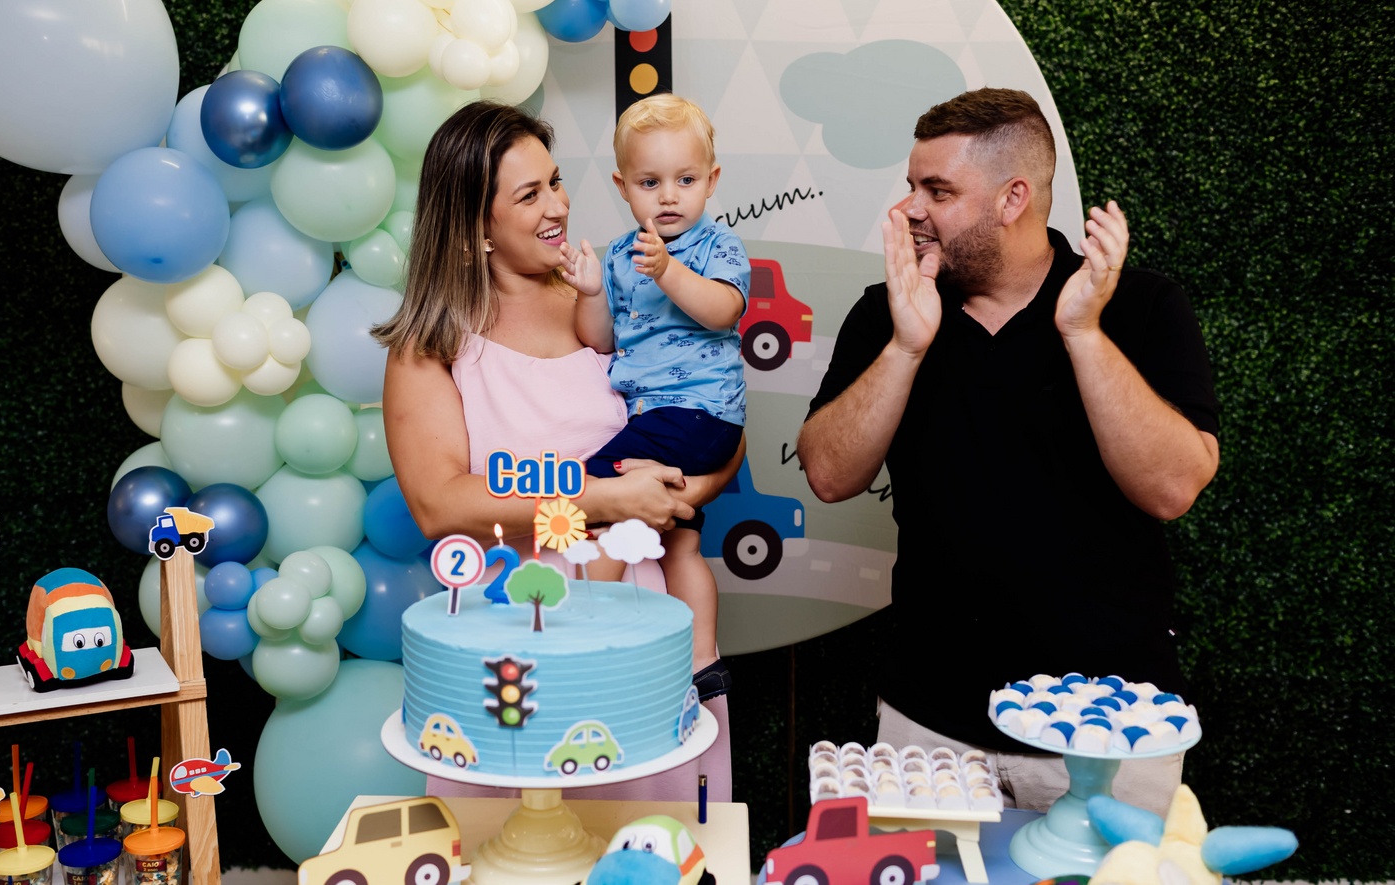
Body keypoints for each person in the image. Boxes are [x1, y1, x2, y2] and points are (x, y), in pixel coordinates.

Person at [796, 88, 1219, 816]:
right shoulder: (888, 309)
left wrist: (1083, 333)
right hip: (929, 724)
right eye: (911, 187)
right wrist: (905, 346)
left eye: (938, 191)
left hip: (1106, 729)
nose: (909, 210)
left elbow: (1173, 487)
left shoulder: (1141, 305)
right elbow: (829, 474)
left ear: (1012, 198)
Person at [372, 100, 740, 801]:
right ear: (475, 224)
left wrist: (679, 494)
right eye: (529, 194)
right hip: (515, 638)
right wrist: (606, 499)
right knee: (521, 842)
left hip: (645, 624)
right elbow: (438, 504)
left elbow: (712, 412)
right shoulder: (432, 342)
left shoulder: (608, 294)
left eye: (557, 181)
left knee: (658, 842)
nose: (559, 206)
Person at [560, 94, 748, 701]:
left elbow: (723, 311)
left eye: (685, 180)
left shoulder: (717, 247)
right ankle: (704, 662)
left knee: (595, 491)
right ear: (623, 187)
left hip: (696, 413)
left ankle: (586, 629)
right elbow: (601, 340)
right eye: (650, 182)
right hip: (665, 420)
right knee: (682, 543)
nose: (668, 197)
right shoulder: (620, 255)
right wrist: (592, 292)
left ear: (711, 181)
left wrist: (667, 270)